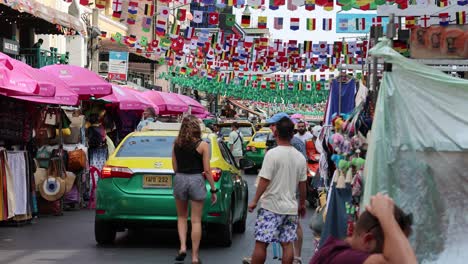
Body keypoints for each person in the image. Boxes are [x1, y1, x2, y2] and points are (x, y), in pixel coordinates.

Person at [248, 116, 308, 264]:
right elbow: (303, 185)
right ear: (292, 134)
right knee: (287, 244)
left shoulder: (272, 154)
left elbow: (264, 180)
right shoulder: (300, 157)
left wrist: (254, 200)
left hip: (270, 207)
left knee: (261, 243)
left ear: (276, 133)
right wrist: (301, 204)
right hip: (290, 208)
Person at [310, 193, 417, 264]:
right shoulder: (345, 258)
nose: (402, 250)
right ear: (368, 241)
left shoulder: (338, 250)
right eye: (391, 250)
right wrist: (386, 216)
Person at [172, 115, 218, 264]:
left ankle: (183, 247)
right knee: (196, 221)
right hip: (196, 179)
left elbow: (175, 167)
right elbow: (207, 170)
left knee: (181, 217)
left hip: (180, 178)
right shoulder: (203, 145)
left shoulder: (176, 143)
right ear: (197, 128)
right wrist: (213, 189)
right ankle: (195, 257)